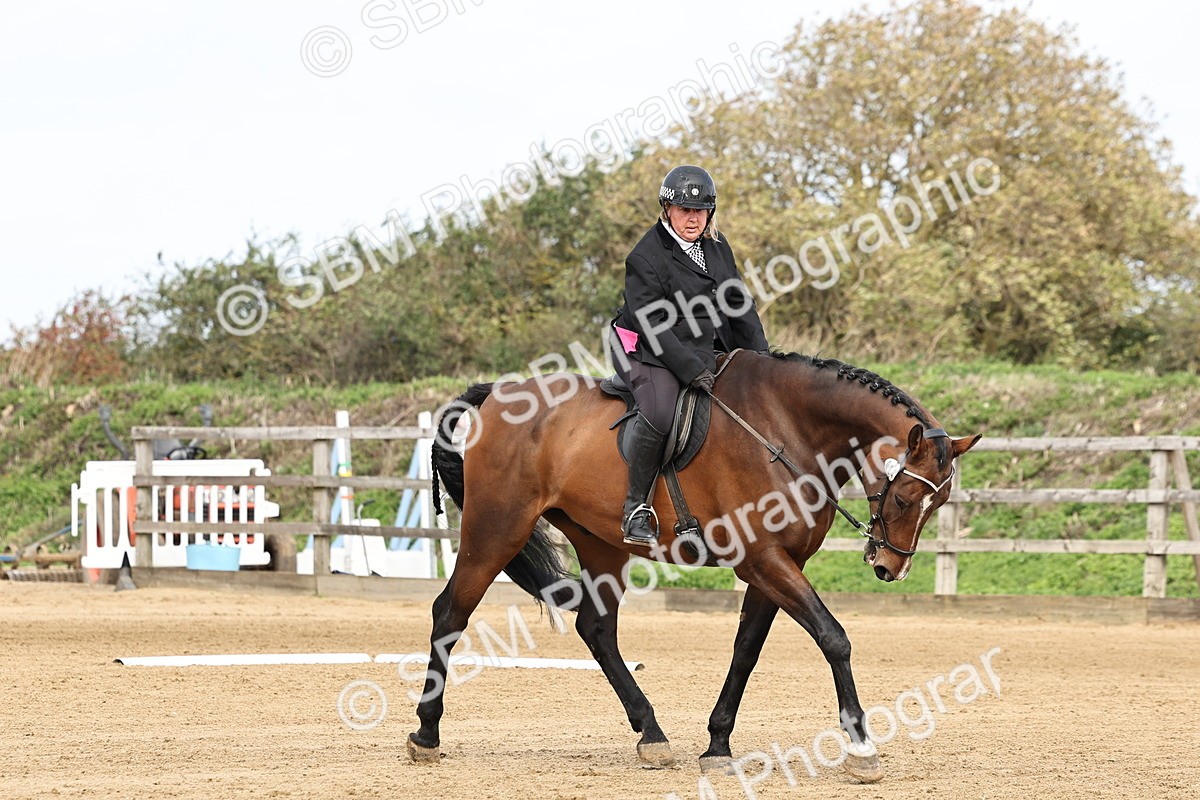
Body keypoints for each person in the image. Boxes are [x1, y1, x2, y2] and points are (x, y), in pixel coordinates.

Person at [610, 165, 769, 546]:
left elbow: (738, 304)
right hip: (647, 349)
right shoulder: (645, 257)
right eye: (685, 210)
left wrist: (763, 361)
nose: (693, 219)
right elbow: (652, 325)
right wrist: (690, 369)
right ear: (667, 209)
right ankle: (636, 508)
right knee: (661, 409)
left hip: (703, 345)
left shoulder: (717, 246)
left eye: (701, 211)